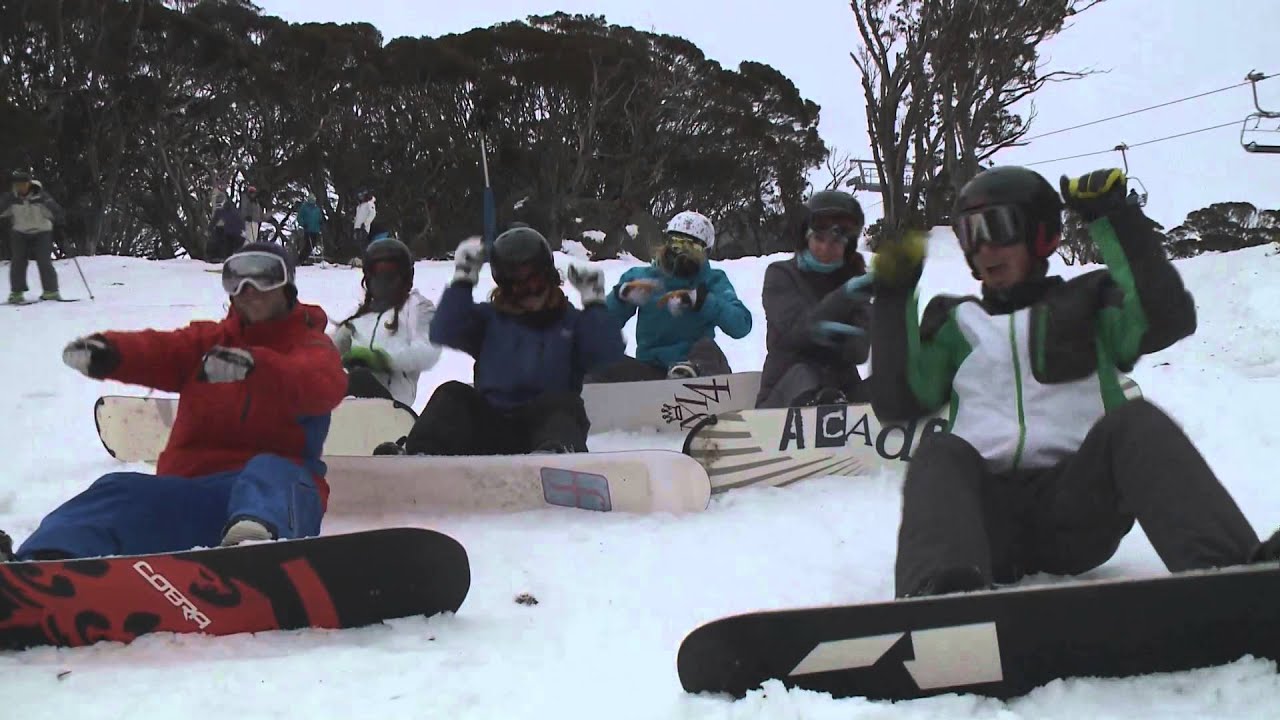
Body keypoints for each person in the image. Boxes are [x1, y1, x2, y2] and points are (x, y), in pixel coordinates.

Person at [865, 165, 1279, 598]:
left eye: (999, 227)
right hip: (988, 524)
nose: (984, 246)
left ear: (1041, 235)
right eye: (971, 234)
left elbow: (1166, 319)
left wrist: (1116, 218)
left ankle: (1234, 579)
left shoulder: (1090, 304)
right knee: (940, 451)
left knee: (1136, 423)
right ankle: (937, 601)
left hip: (1077, 509)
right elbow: (899, 400)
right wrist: (893, 296)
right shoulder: (955, 323)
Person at [1, 243, 347, 561]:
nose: (249, 290)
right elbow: (163, 351)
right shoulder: (208, 343)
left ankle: (253, 551)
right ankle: (41, 565)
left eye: (264, 277)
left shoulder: (311, 346)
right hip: (194, 494)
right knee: (118, 490)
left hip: (280, 502)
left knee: (271, 471)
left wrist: (258, 368)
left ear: (287, 286)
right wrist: (113, 354)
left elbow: (321, 384)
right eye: (236, 279)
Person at [379, 226, 624, 456]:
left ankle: (555, 460)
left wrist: (594, 304)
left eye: (535, 283)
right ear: (504, 288)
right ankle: (418, 456)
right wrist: (463, 280)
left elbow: (607, 352)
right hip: (490, 427)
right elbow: (445, 329)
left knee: (563, 405)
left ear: (550, 278)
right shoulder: (490, 320)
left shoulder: (572, 323)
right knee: (452, 393)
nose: (529, 293)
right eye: (517, 287)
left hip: (544, 430)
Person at [589, 210, 752, 382]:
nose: (681, 252)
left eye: (691, 247)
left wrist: (705, 302)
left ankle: (688, 378)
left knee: (708, 349)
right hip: (650, 371)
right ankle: (585, 400)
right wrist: (619, 297)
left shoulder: (713, 281)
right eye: (677, 244)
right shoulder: (641, 277)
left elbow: (741, 325)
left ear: (705, 251)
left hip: (697, 370)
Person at [756, 190, 871, 408]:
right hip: (785, 395)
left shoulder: (855, 280)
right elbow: (798, 329)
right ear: (805, 237)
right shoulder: (780, 274)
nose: (827, 248)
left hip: (841, 390)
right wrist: (846, 295)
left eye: (837, 242)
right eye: (819, 238)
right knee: (805, 375)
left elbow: (859, 351)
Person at [330, 236, 441, 407]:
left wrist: (384, 359)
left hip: (393, 404)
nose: (383, 283)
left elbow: (427, 351)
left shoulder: (418, 309)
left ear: (405, 277)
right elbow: (331, 348)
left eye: (390, 276)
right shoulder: (361, 314)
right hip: (352, 403)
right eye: (377, 276)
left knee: (360, 378)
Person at [0, 171, 64, 304]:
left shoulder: (42, 196)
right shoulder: (11, 198)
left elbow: (56, 211)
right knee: (18, 261)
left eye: (23, 184)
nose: (21, 187)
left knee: (44, 260)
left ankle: (51, 291)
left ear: (29, 183)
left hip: (42, 232)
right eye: (18, 184)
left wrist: (60, 221)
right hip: (20, 232)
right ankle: (16, 293)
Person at [295, 192, 324, 264]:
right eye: (311, 200)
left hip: (315, 229)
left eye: (313, 200)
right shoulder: (304, 207)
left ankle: (304, 258)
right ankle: (301, 259)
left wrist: (320, 222)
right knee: (307, 245)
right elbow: (299, 217)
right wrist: (303, 223)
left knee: (312, 245)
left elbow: (319, 217)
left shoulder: (317, 208)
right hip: (308, 229)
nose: (312, 201)